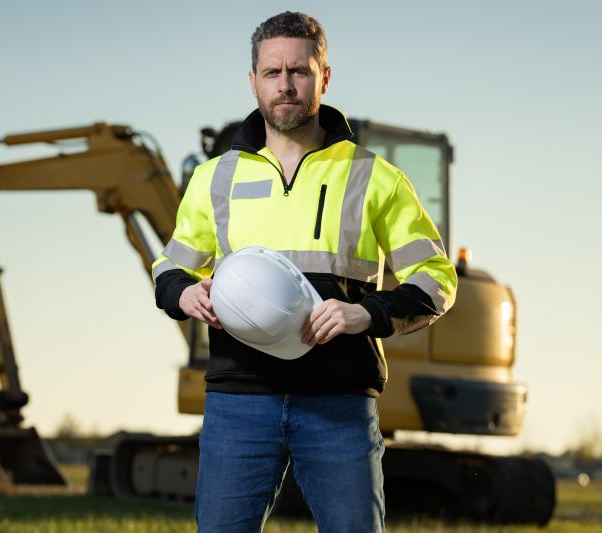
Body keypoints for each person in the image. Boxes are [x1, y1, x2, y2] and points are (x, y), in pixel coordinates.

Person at [153, 11, 457, 533]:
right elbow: (170, 266)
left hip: (338, 401)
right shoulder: (214, 178)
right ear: (253, 82)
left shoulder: (373, 177)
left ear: (324, 77)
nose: (285, 85)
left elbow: (436, 279)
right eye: (273, 73)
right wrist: (184, 295)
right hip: (238, 402)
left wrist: (367, 313)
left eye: (299, 71)